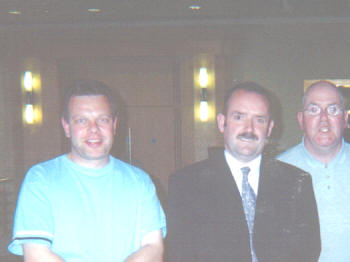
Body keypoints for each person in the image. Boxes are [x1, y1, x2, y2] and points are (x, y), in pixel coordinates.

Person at [8, 80, 166, 261]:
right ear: (67, 127)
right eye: (82, 120)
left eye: (103, 120)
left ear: (114, 125)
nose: (94, 129)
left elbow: (153, 248)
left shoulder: (140, 181)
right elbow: (37, 255)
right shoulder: (40, 180)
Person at [166, 82, 320, 262]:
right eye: (239, 117)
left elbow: (308, 252)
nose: (249, 129)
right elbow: (180, 254)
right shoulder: (187, 184)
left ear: (269, 128)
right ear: (222, 123)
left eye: (259, 120)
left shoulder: (296, 181)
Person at [278, 80, 350, 262]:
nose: (324, 119)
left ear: (345, 119)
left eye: (333, 109)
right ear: (301, 120)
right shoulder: (277, 171)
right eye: (314, 110)